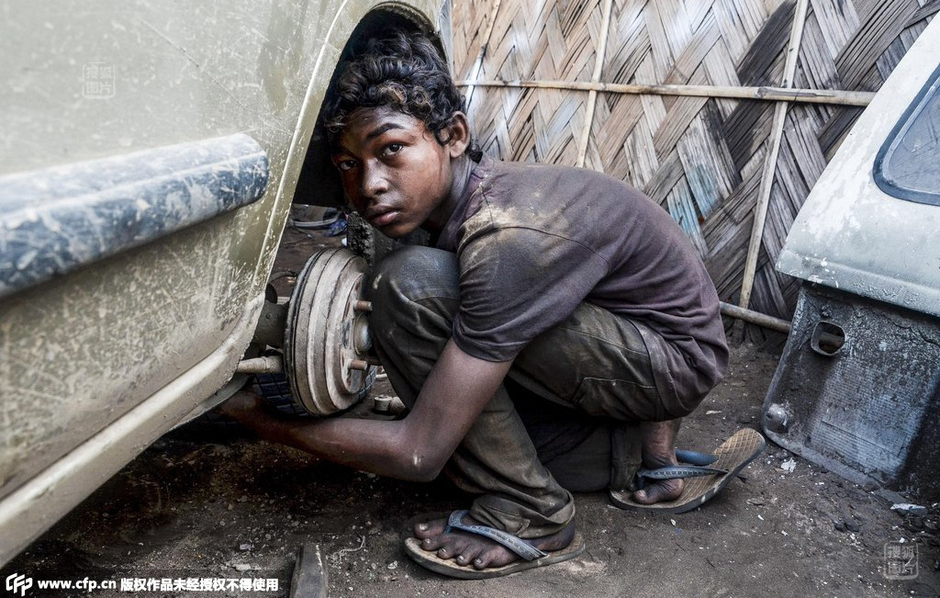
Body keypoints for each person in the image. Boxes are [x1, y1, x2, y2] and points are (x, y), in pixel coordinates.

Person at [221, 30, 760, 579]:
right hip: (645, 359)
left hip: (669, 367)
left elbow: (418, 453)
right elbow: (647, 292)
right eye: (348, 165)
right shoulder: (481, 199)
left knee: (409, 286)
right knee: (471, 403)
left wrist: (257, 419)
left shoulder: (504, 238)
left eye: (391, 150)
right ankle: (637, 462)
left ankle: (530, 514)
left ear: (453, 135)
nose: (370, 185)